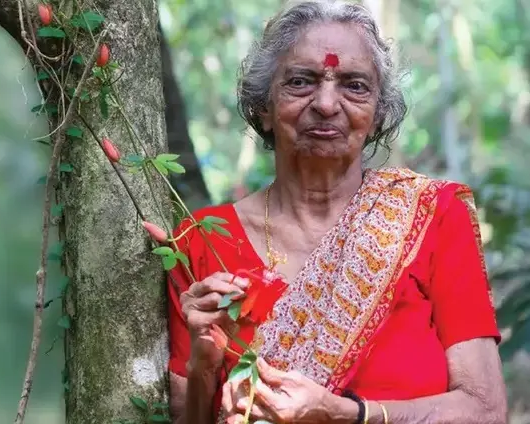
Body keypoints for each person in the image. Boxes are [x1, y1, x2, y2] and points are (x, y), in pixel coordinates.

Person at [165, 1, 508, 423]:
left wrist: (346, 413)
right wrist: (205, 367)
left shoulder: (434, 218)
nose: (327, 104)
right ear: (263, 107)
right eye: (301, 81)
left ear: (378, 113)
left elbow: (485, 410)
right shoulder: (202, 241)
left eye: (355, 85)